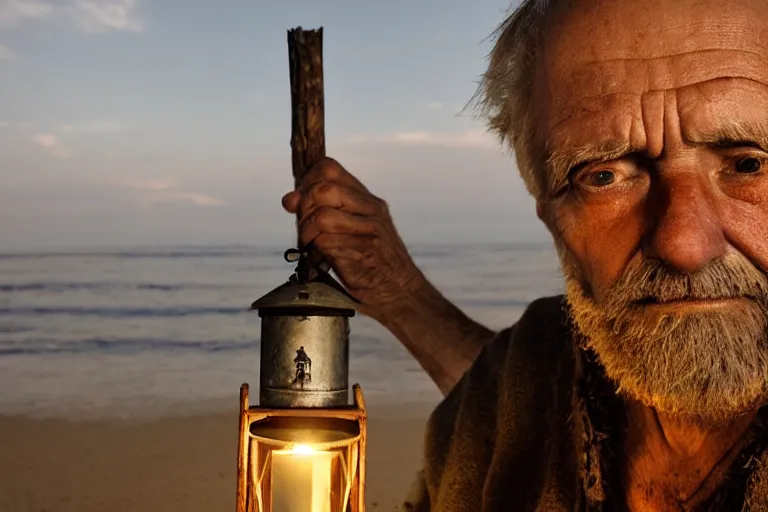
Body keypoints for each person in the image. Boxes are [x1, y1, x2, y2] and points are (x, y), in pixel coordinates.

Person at [282, 0, 768, 509]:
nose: (684, 245)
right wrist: (398, 293)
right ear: (550, 213)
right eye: (602, 176)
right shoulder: (535, 375)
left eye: (749, 164)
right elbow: (517, 394)